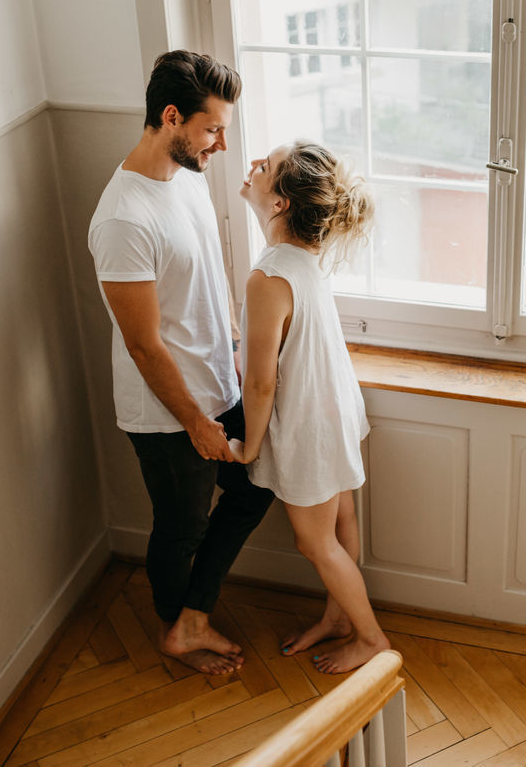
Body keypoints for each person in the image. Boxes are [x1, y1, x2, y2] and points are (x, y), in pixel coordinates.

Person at [88, 50, 274, 675]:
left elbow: (208, 284)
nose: (221, 143)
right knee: (182, 529)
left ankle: (194, 614)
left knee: (253, 492)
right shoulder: (122, 219)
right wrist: (196, 422)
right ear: (171, 117)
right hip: (169, 416)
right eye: (213, 128)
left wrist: (239, 354)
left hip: (220, 385)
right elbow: (143, 345)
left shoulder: (188, 177)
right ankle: (178, 629)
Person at [227, 140, 390, 674]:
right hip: (335, 407)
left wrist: (249, 445)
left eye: (266, 167)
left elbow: (259, 383)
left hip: (309, 422)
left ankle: (371, 639)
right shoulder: (301, 259)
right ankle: (340, 619)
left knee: (314, 541)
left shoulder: (268, 277)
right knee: (341, 521)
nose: (253, 166)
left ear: (279, 204)